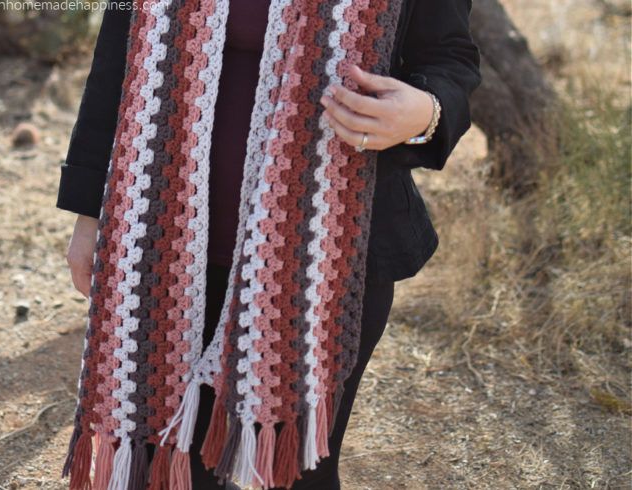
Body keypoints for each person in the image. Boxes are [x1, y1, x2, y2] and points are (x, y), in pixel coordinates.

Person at [57, 1, 481, 488]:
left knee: (298, 473)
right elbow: (115, 58)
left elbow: (450, 60)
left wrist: (424, 112)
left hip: (327, 260)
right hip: (157, 250)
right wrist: (90, 215)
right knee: (167, 468)